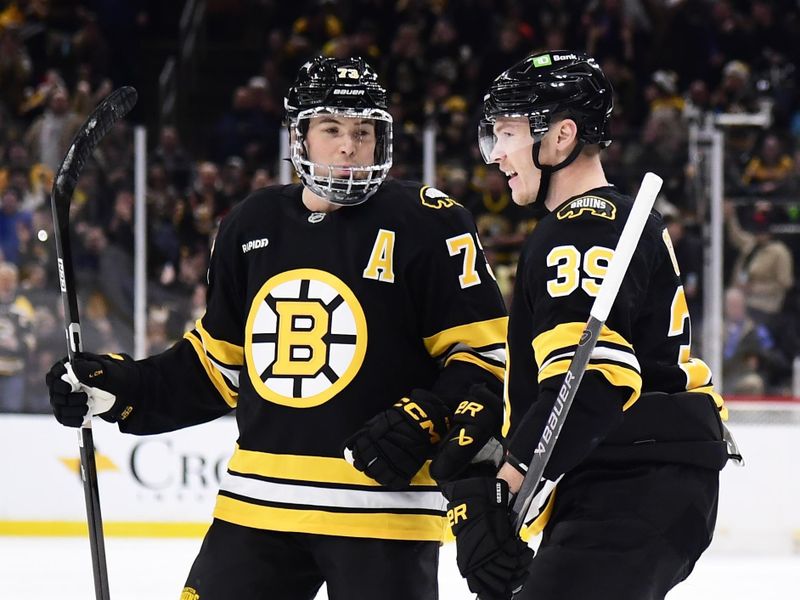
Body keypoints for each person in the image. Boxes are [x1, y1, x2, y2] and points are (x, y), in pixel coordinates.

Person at [45, 56, 508, 599]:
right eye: (332, 128)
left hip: (384, 513)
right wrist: (121, 388)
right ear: (301, 136)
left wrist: (429, 416)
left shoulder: (431, 222)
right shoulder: (251, 224)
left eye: (363, 132)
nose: (348, 147)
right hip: (256, 507)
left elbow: (483, 360)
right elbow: (216, 368)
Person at [441, 51, 735, 600]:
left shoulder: (577, 230)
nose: (497, 154)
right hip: (643, 481)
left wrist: (508, 484)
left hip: (633, 486)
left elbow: (595, 379)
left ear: (560, 136)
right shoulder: (611, 218)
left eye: (507, 133)